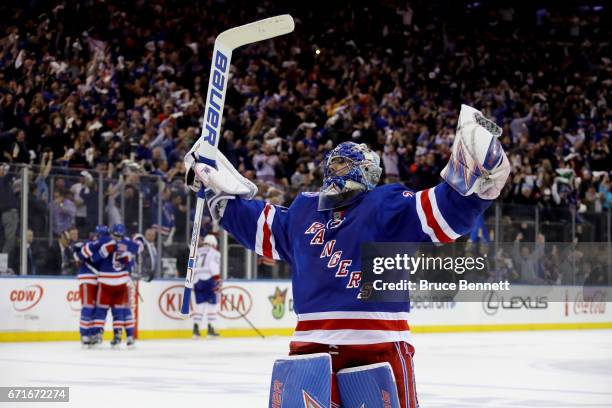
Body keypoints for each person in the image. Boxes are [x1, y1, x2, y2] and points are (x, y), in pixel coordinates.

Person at [186, 104, 511, 407]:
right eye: (336, 162)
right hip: (344, 345)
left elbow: (448, 211)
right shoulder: (332, 207)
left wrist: (221, 196)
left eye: (343, 162)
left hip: (344, 346)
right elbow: (260, 226)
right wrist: (219, 194)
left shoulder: (347, 207)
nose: (337, 167)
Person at [91, 223, 142, 348]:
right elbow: (139, 248)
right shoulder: (127, 242)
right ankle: (119, 336)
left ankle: (98, 335)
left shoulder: (106, 241)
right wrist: (136, 241)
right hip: (122, 282)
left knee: (101, 310)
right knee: (120, 311)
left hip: (106, 281)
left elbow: (95, 258)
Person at [72, 225, 110, 346]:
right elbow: (79, 257)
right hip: (88, 279)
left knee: (97, 308)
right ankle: (84, 334)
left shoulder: (103, 246)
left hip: (100, 279)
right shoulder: (89, 245)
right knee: (88, 306)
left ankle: (94, 332)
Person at [191, 234, 221, 338]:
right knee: (212, 305)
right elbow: (214, 267)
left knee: (199, 306)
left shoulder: (197, 252)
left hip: (197, 280)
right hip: (209, 280)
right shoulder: (215, 253)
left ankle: (195, 329)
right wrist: (217, 281)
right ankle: (210, 329)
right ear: (213, 244)